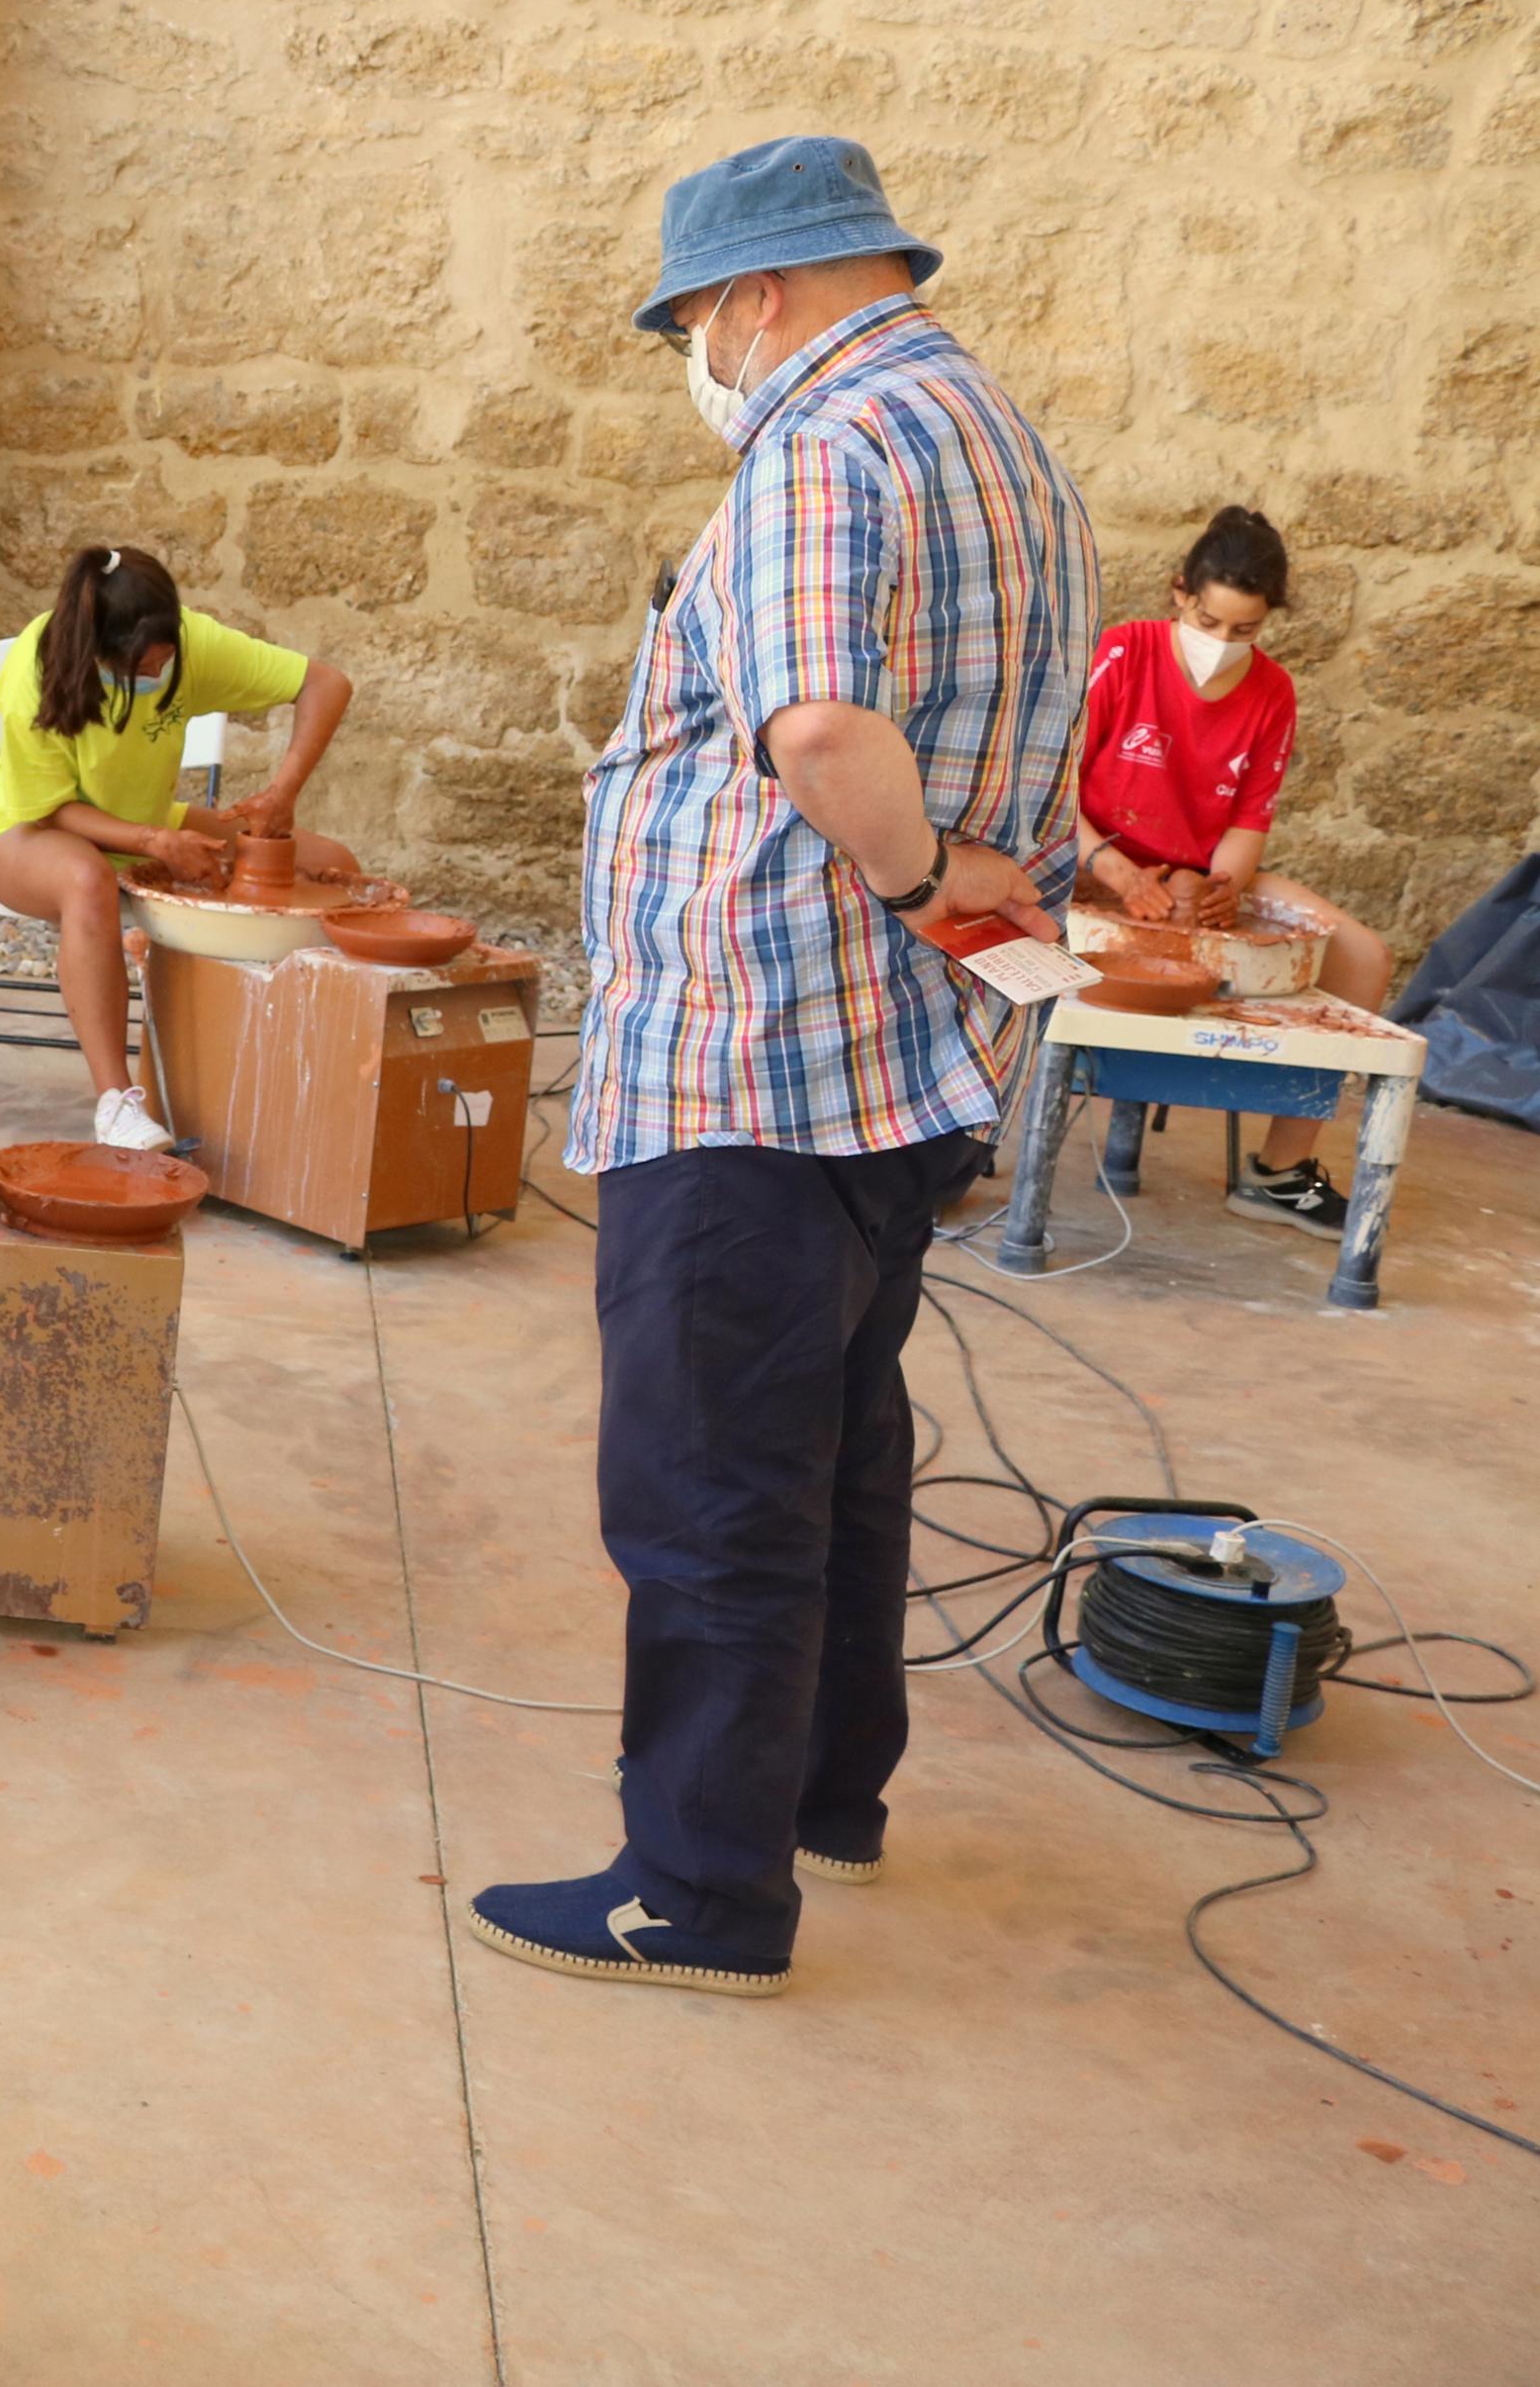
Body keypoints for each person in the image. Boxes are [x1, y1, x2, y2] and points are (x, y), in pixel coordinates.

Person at [469, 136, 1096, 1997]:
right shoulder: (992, 430)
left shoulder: (815, 448)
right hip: (893, 1067)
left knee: (711, 1477)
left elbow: (817, 721)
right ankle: (828, 1789)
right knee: (834, 1445)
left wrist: (911, 870)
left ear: (755, 297)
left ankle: (699, 1890)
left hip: (754, 1047)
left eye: (693, 319)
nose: (697, 354)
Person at [0, 544, 357, 1148]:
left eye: (163, 664)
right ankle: (116, 1104)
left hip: (144, 823)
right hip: (27, 832)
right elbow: (53, 807)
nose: (155, 678)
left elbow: (326, 685)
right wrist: (153, 841)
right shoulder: (38, 666)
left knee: (334, 867)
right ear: (96, 650)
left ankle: (308, 1079)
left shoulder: (192, 644)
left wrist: (283, 792)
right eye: (139, 670)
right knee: (86, 878)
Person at [1073, 505, 1387, 1236]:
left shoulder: (1271, 691)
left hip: (1189, 876)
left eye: (1244, 631)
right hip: (1088, 858)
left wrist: (1222, 890)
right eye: (1209, 622)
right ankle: (954, 1141)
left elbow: (1249, 821)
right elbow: (1049, 788)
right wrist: (1115, 871)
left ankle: (1277, 1172)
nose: (1222, 644)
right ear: (1179, 592)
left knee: (1363, 956)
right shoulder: (1123, 653)